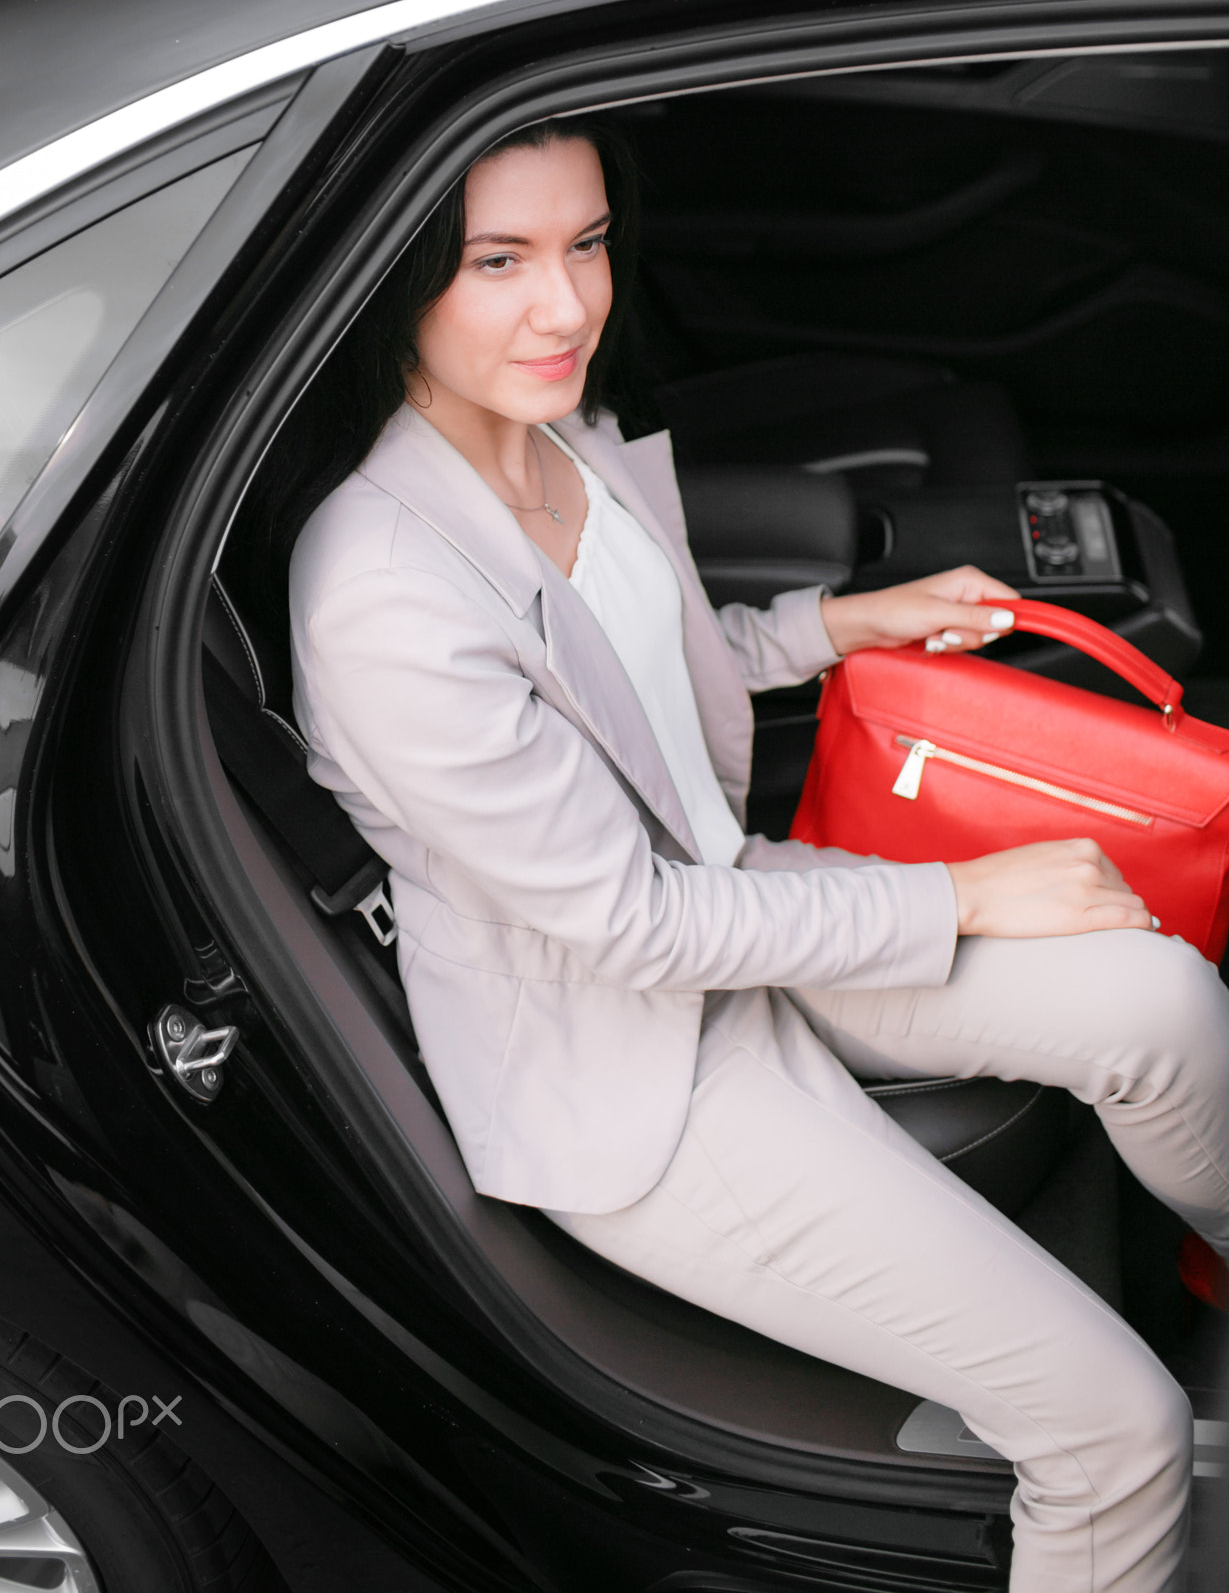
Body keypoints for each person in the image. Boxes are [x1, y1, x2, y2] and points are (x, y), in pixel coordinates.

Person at [288, 116, 1229, 1592]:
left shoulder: (558, 438)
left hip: (732, 902)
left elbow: (631, 687)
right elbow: (626, 927)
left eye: (586, 244)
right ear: (396, 280)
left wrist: (829, 626)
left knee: (1162, 1004)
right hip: (633, 1066)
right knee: (1115, 1430)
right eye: (498, 261)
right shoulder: (384, 593)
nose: (567, 304)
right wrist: (964, 893)